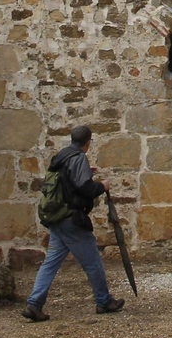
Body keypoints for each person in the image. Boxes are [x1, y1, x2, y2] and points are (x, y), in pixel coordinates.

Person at [22, 125, 125, 320]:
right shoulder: (78, 158)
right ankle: (104, 301)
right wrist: (102, 186)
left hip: (57, 218)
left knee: (50, 263)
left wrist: (87, 173)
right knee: (93, 261)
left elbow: (68, 182)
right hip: (71, 219)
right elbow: (85, 188)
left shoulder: (61, 157)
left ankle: (34, 305)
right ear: (88, 142)